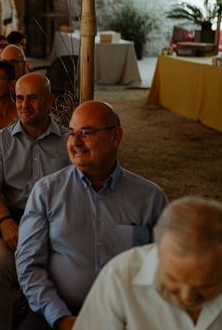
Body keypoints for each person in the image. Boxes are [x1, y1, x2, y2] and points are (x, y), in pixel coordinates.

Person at [16, 100, 168, 330]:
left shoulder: (150, 198)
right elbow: (29, 264)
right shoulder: (47, 192)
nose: (75, 142)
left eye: (86, 133)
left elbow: (169, 267)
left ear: (115, 137)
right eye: (72, 133)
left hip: (131, 314)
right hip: (61, 309)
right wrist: (60, 318)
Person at [75, 196, 222, 330]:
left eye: (207, 285)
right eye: (172, 278)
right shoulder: (118, 277)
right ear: (157, 248)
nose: (188, 297)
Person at [0, 73, 70, 330]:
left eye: (32, 98)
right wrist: (5, 222)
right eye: (19, 98)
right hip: (13, 223)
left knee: (74, 271)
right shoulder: (2, 140)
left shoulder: (68, 140)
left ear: (50, 100)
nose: (24, 105)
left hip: (58, 224)